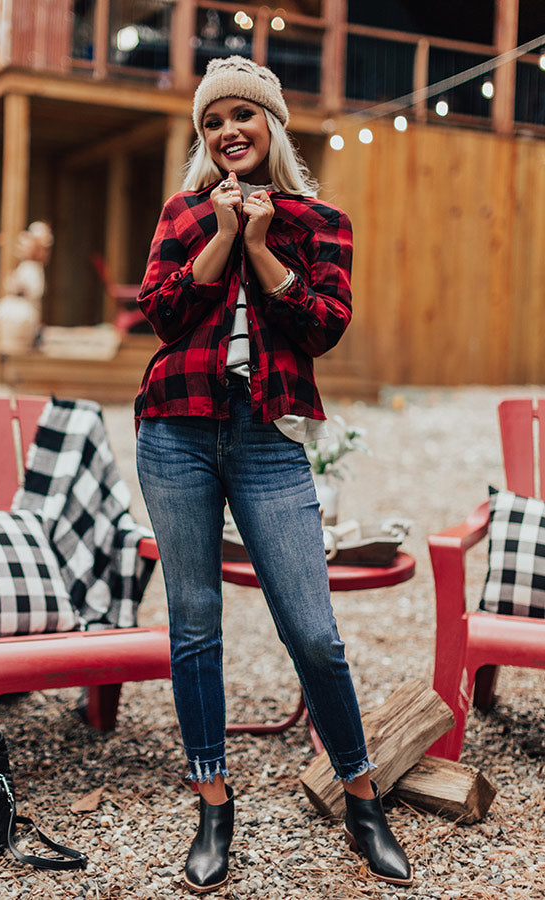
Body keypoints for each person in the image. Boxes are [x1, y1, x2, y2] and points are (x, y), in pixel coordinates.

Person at [134, 56, 412, 893]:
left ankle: (362, 795)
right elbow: (162, 314)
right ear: (204, 137)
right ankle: (214, 801)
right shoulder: (184, 213)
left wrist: (260, 245)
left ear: (272, 126)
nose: (228, 132)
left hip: (266, 442)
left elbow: (322, 327)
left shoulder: (320, 219)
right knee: (194, 627)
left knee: (314, 632)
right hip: (175, 434)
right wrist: (221, 235)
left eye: (242, 117)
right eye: (213, 122)